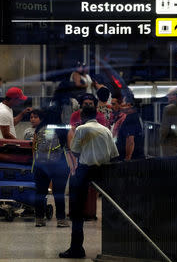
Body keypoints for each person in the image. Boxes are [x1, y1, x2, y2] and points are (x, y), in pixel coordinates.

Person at [59, 105, 119, 258]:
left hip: (85, 170)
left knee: (77, 211)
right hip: (105, 171)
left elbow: (75, 151)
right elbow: (114, 154)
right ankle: (114, 248)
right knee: (112, 208)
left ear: (82, 117)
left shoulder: (81, 129)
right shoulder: (106, 130)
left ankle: (76, 248)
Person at [32, 107, 70, 228]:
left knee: (40, 193)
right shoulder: (63, 128)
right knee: (58, 192)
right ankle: (61, 220)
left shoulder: (39, 128)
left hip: (41, 164)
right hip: (59, 164)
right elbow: (69, 147)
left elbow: (34, 147)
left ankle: (39, 219)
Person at [116, 93, 144, 161]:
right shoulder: (136, 116)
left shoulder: (130, 119)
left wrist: (127, 159)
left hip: (131, 160)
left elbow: (130, 140)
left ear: (129, 105)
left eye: (123, 102)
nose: (120, 105)